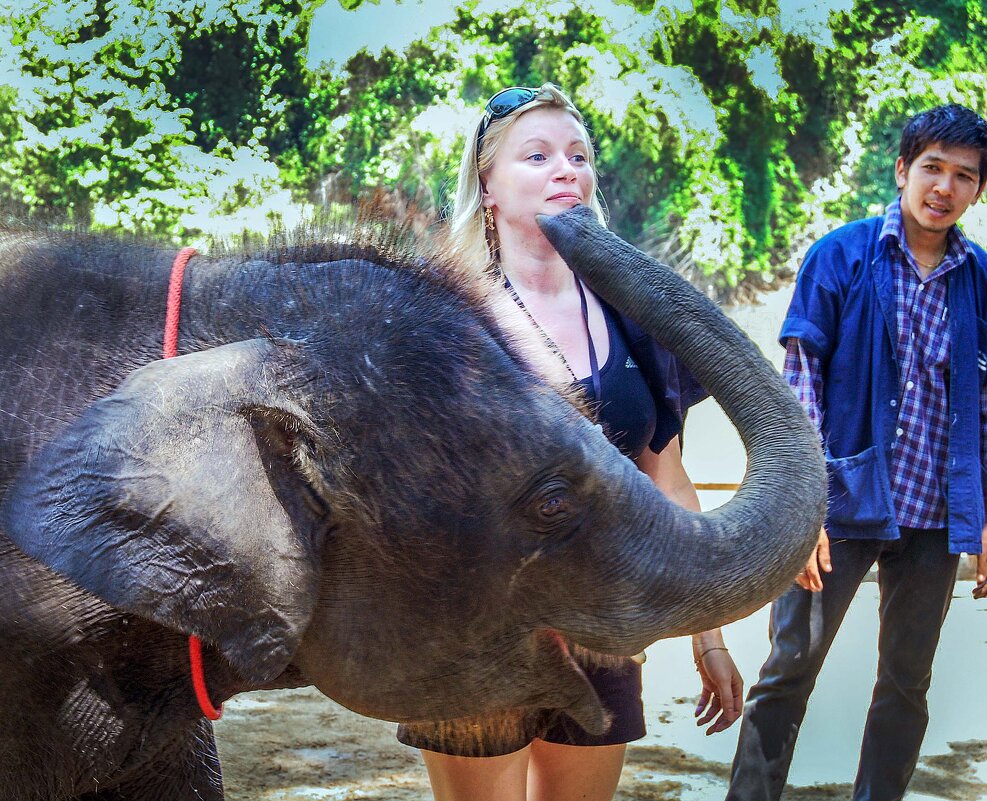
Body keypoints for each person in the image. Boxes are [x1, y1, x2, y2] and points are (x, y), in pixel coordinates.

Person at [396, 83, 743, 801]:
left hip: (601, 626)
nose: (568, 170)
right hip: (474, 632)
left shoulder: (628, 313)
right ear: (487, 184)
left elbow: (663, 475)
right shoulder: (440, 318)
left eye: (579, 156)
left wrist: (707, 634)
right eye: (538, 155)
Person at [726, 103, 987, 801]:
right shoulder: (839, 255)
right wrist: (801, 509)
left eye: (963, 176)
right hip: (838, 510)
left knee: (906, 682)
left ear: (976, 191)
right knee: (789, 668)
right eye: (931, 167)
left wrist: (982, 516)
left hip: (933, 515)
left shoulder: (979, 280)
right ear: (902, 169)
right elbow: (798, 387)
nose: (943, 186)